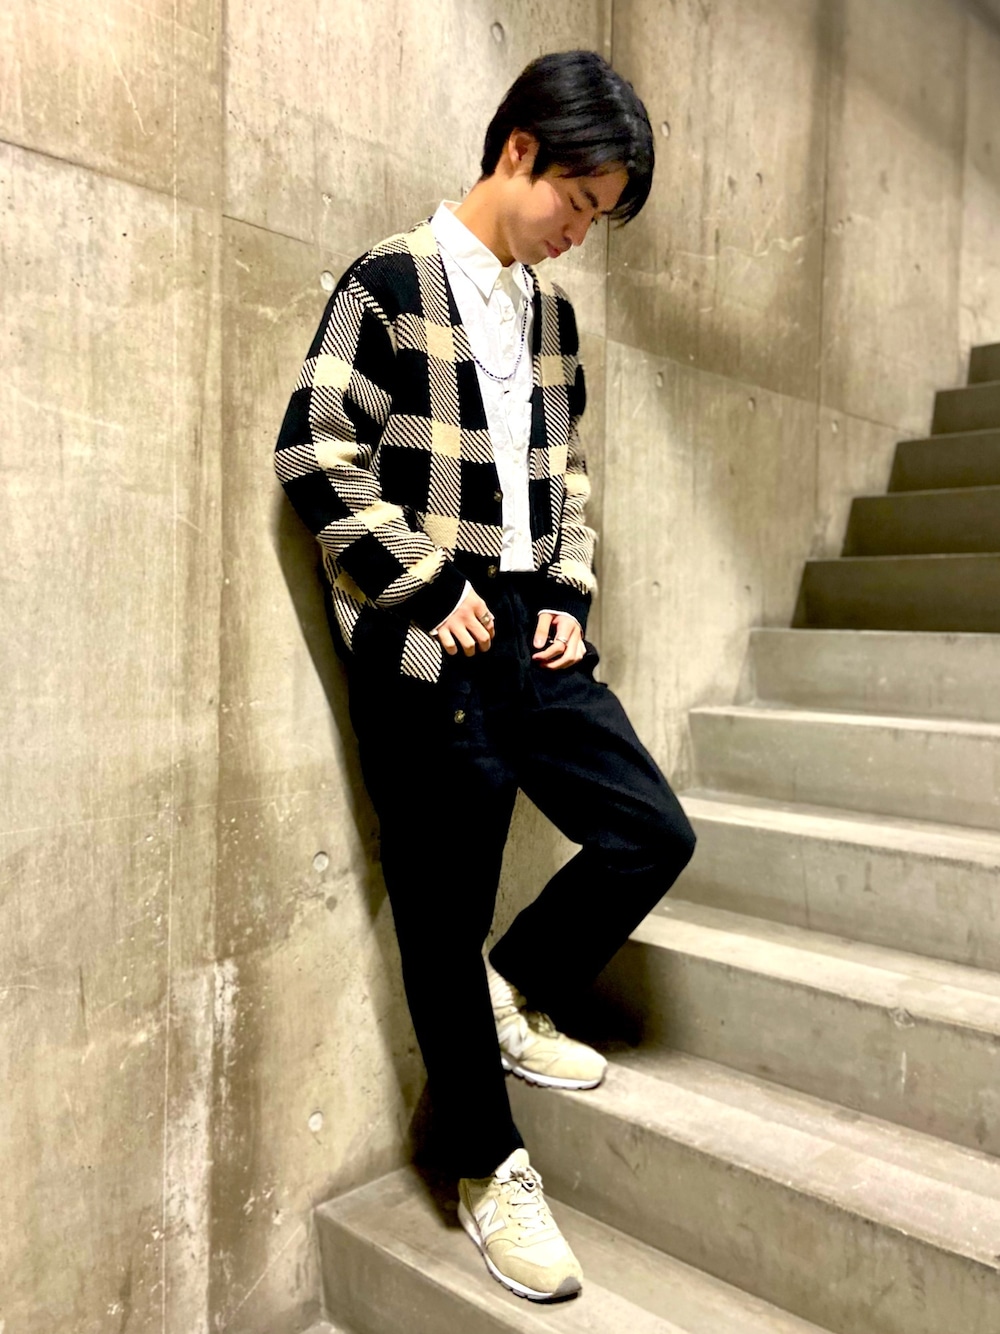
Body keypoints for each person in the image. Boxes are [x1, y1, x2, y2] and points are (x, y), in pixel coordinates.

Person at [274, 49, 696, 1303]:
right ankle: (485, 1165)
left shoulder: (550, 319)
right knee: (439, 909)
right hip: (429, 633)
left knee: (649, 829)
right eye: (579, 200)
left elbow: (565, 479)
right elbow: (313, 447)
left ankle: (517, 989)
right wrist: (422, 580)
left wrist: (566, 591)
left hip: (529, 629)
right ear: (519, 151)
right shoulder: (390, 281)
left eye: (599, 214)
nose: (580, 232)